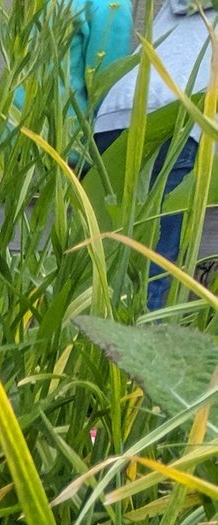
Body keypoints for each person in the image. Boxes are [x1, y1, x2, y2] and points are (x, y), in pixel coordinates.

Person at [91, 0, 217, 309]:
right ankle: (135, 352)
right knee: (154, 262)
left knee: (103, 251)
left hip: (118, 108)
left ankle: (84, 345)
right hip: (179, 115)